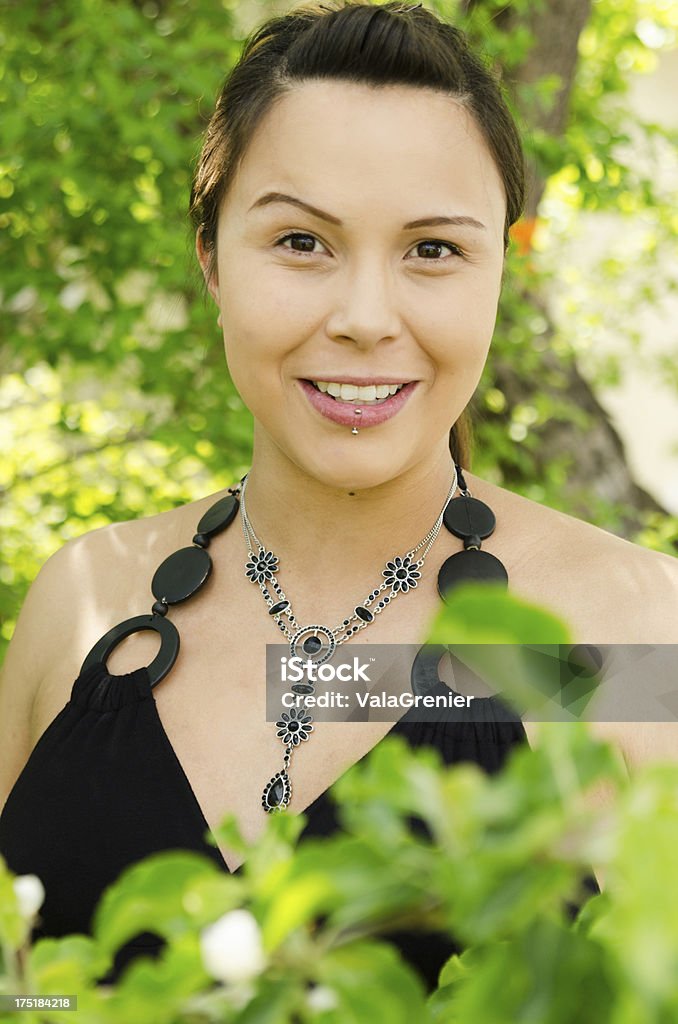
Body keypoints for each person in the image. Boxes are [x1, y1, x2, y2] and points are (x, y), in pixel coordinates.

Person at [1, 0, 676, 994]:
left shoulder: (633, 639)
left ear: (501, 268)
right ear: (212, 258)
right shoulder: (84, 607)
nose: (365, 318)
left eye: (433, 250)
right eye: (303, 243)